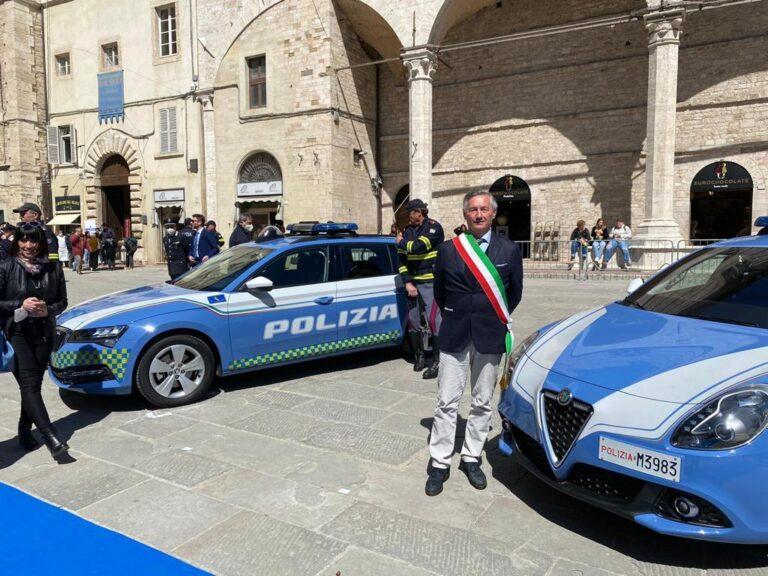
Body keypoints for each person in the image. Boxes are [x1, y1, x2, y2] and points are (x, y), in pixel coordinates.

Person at [426, 189, 523, 496]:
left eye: (484, 209)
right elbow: (440, 292)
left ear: (493, 213)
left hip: (489, 333)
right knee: (446, 403)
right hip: (455, 333)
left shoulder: (509, 250)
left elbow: (514, 294)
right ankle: (439, 462)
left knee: (482, 402)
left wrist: (489, 315)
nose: (478, 214)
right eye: (472, 210)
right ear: (465, 214)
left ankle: (471, 457)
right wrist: (458, 313)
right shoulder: (449, 249)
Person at [0, 223, 69, 458]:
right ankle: (52, 438)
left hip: (43, 332)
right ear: (16, 241)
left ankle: (24, 430)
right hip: (16, 332)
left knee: (33, 386)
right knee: (29, 384)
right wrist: (20, 305)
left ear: (40, 242)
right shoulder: (6, 266)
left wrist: (47, 310)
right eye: (23, 240)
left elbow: (62, 301)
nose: (28, 246)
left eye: (33, 241)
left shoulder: (53, 267)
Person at [396, 199, 444, 380]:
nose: (408, 216)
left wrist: (401, 242)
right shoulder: (408, 231)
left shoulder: (433, 228)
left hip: (432, 282)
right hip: (413, 283)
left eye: (410, 212)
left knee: (434, 321)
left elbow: (418, 247)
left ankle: (438, 362)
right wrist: (407, 282)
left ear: (419, 212)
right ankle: (420, 357)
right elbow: (402, 260)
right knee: (414, 321)